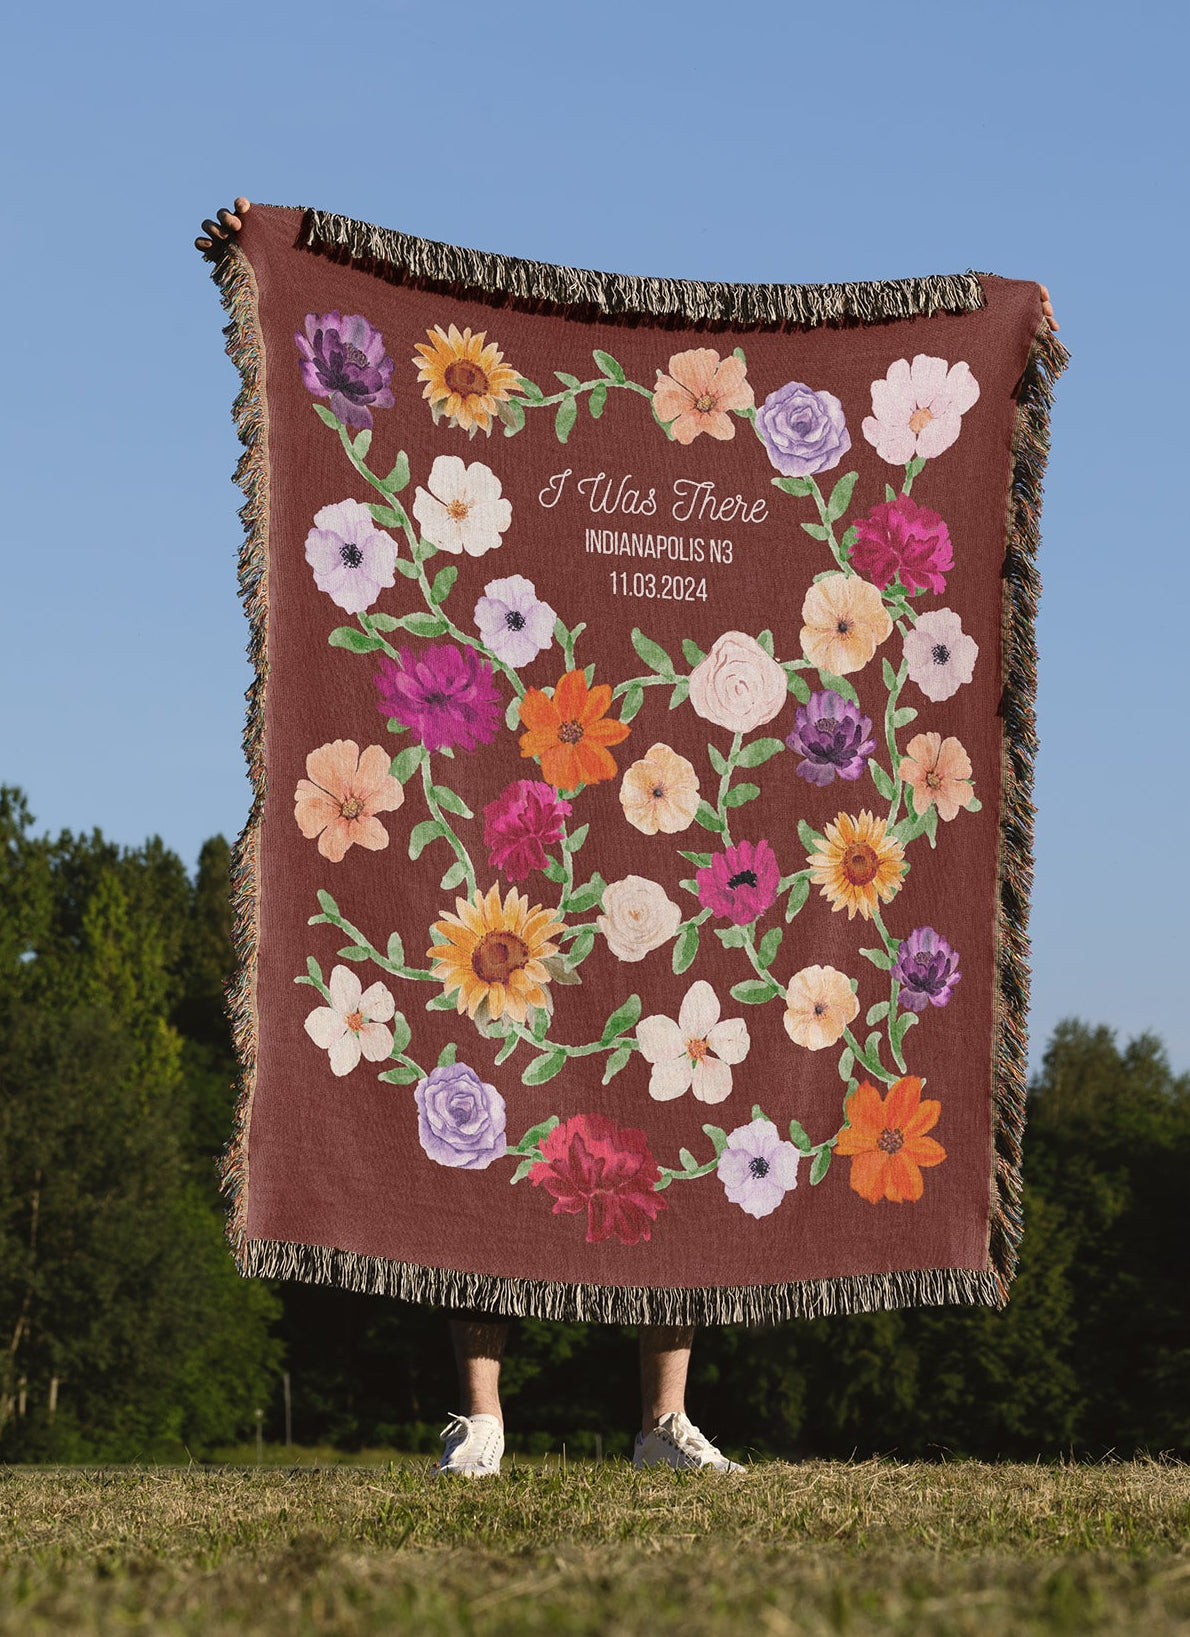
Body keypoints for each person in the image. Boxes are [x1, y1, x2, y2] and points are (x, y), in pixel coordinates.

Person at [196, 199, 1058, 1478]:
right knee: (473, 1084)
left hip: (685, 849)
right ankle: (480, 1415)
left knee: (698, 1097)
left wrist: (1003, 332)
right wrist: (264, 241)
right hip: (533, 837)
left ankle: (662, 1419)